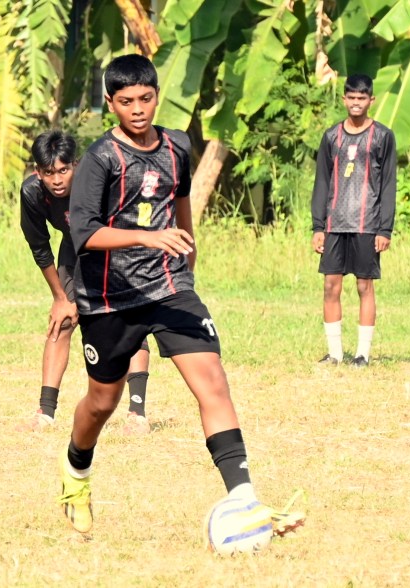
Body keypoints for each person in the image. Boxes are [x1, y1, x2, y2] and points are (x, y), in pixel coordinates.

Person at [58, 54, 304, 537]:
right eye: (126, 101)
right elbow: (84, 233)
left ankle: (245, 500)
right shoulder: (100, 158)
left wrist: (187, 254)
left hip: (170, 288)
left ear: (157, 96)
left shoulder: (177, 145)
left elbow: (181, 200)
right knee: (102, 403)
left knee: (212, 380)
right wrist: (149, 237)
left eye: (146, 98)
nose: (137, 109)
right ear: (110, 103)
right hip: (109, 298)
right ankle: (76, 474)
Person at [18, 130, 154, 435]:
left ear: (76, 166)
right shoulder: (32, 193)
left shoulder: (98, 182)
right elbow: (40, 247)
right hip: (76, 248)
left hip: (119, 248)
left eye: (63, 170)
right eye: (48, 173)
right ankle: (45, 413)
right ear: (37, 172)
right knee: (62, 321)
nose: (56, 180)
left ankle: (137, 413)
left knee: (128, 323)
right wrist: (60, 298)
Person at [311, 74, 396, 367]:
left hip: (366, 224)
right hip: (334, 224)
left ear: (371, 100)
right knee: (330, 286)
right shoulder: (331, 137)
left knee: (364, 287)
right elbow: (322, 182)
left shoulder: (383, 136)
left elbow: (388, 184)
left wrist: (385, 228)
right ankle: (335, 354)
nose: (356, 103)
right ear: (344, 99)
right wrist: (318, 226)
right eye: (351, 97)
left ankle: (362, 354)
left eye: (362, 98)